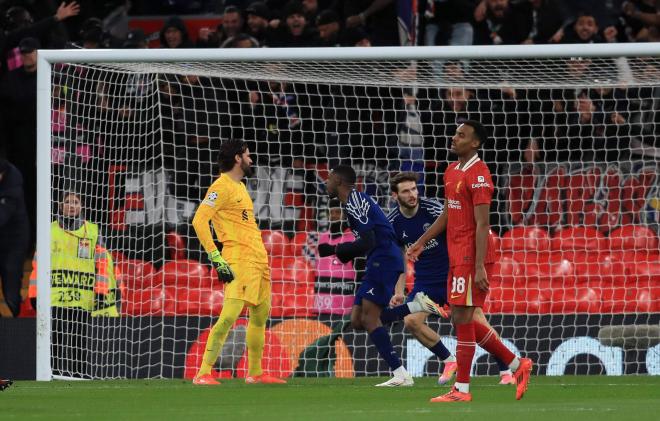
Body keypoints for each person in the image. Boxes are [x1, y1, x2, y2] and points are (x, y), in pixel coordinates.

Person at [408, 121, 532, 402]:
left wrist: (478, 267)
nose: (454, 138)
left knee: (462, 317)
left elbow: (482, 224)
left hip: (473, 255)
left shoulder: (479, 175)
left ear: (475, 143)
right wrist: (421, 242)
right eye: (455, 133)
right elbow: (449, 214)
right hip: (457, 254)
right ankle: (516, 364)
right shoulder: (451, 171)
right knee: (460, 317)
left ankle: (462, 389)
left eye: (461, 135)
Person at [383, 171, 515, 385]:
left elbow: (462, 231)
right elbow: (398, 258)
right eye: (406, 191)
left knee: (475, 320)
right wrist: (399, 292)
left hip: (453, 273)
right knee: (411, 321)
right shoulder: (393, 222)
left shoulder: (434, 209)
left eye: (414, 189)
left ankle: (506, 370)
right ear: (394, 196)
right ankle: (448, 359)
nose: (412, 194)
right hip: (425, 280)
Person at [318, 165, 437, 387]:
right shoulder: (352, 201)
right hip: (379, 258)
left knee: (370, 318)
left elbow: (368, 241)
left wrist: (337, 250)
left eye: (329, 179)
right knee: (356, 320)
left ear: (338, 181)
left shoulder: (355, 202)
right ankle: (415, 306)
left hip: (383, 258)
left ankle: (401, 374)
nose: (326, 183)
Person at [191, 139, 286, 385]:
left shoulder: (240, 187)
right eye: (248, 155)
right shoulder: (220, 187)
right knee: (230, 316)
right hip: (238, 259)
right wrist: (216, 257)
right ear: (237, 158)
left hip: (258, 259)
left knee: (260, 316)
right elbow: (199, 220)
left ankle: (255, 373)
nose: (251, 159)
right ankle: (203, 373)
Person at [28, 190, 119, 378]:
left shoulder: (93, 231)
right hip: (55, 295)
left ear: (81, 206)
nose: (72, 206)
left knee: (80, 340)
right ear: (61, 206)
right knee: (56, 340)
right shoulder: (48, 229)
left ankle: (80, 376)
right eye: (68, 202)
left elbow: (102, 262)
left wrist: (101, 290)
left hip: (82, 295)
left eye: (76, 202)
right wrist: (34, 293)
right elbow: (37, 264)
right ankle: (51, 375)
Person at [0, 159, 29, 317]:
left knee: (11, 288)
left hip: (14, 241)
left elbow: (2, 216)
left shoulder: (13, 182)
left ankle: (18, 320)